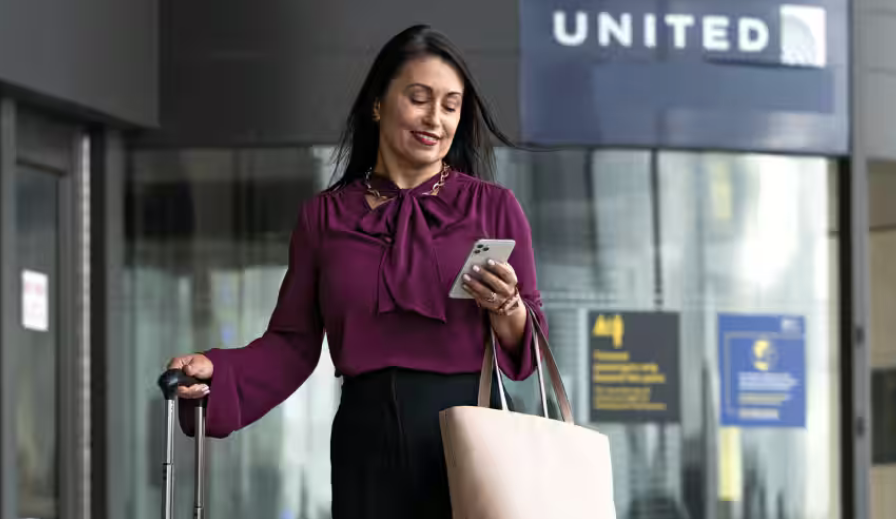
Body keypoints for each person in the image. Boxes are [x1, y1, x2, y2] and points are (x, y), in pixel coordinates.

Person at [167, 24, 548, 519]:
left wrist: (508, 307)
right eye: (419, 98)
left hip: (471, 440)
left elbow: (530, 347)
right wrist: (219, 372)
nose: (436, 117)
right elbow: (291, 344)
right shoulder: (323, 218)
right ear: (377, 103)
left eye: (451, 105)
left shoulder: (493, 207)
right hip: (365, 447)